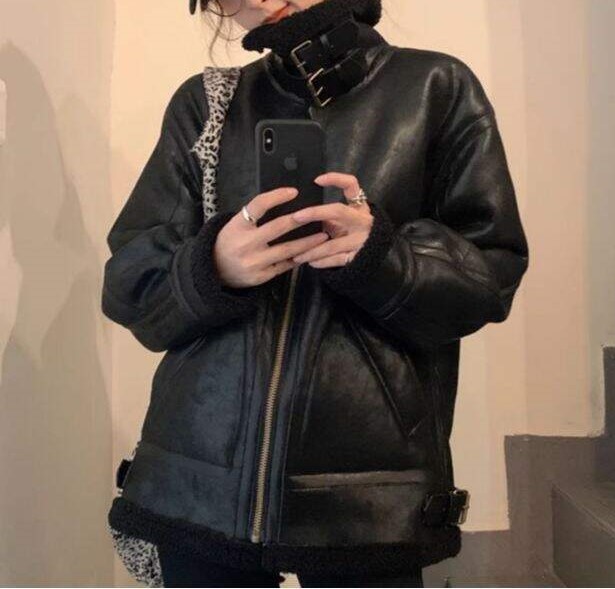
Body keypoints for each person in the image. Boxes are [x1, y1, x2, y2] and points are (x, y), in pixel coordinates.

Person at [102, 0, 530, 586]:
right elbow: (129, 285)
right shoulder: (205, 104)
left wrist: (382, 256)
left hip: (366, 496)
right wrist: (212, 267)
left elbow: (490, 277)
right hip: (198, 480)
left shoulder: (437, 87)